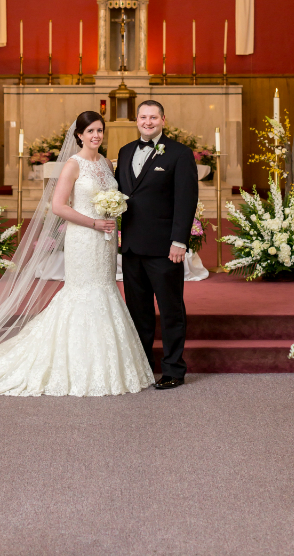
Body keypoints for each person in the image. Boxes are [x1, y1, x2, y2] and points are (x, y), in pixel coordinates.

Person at [0, 111, 153, 397]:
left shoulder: (107, 165)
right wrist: (94, 222)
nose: (96, 136)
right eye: (90, 132)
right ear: (79, 135)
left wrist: (111, 214)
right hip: (84, 237)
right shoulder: (73, 165)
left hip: (106, 241)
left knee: (105, 289)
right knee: (83, 292)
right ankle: (74, 364)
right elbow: (59, 206)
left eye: (99, 131)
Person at [116, 100, 198, 389]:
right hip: (132, 248)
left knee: (171, 308)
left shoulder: (180, 153)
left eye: (153, 117)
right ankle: (142, 365)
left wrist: (179, 241)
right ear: (136, 120)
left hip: (165, 248)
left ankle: (174, 369)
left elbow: (186, 201)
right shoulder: (125, 151)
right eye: (143, 117)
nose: (147, 121)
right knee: (138, 311)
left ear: (164, 119)